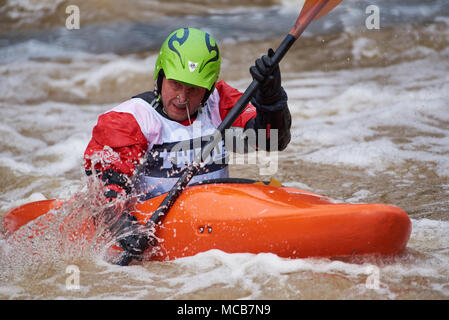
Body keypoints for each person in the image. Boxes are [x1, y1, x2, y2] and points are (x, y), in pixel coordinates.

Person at [84, 27, 291, 202]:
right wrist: (125, 228)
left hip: (215, 213)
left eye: (193, 89)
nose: (182, 98)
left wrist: (271, 100)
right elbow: (106, 196)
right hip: (153, 225)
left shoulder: (220, 103)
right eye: (176, 85)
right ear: (160, 77)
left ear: (208, 89)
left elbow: (271, 141)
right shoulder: (131, 119)